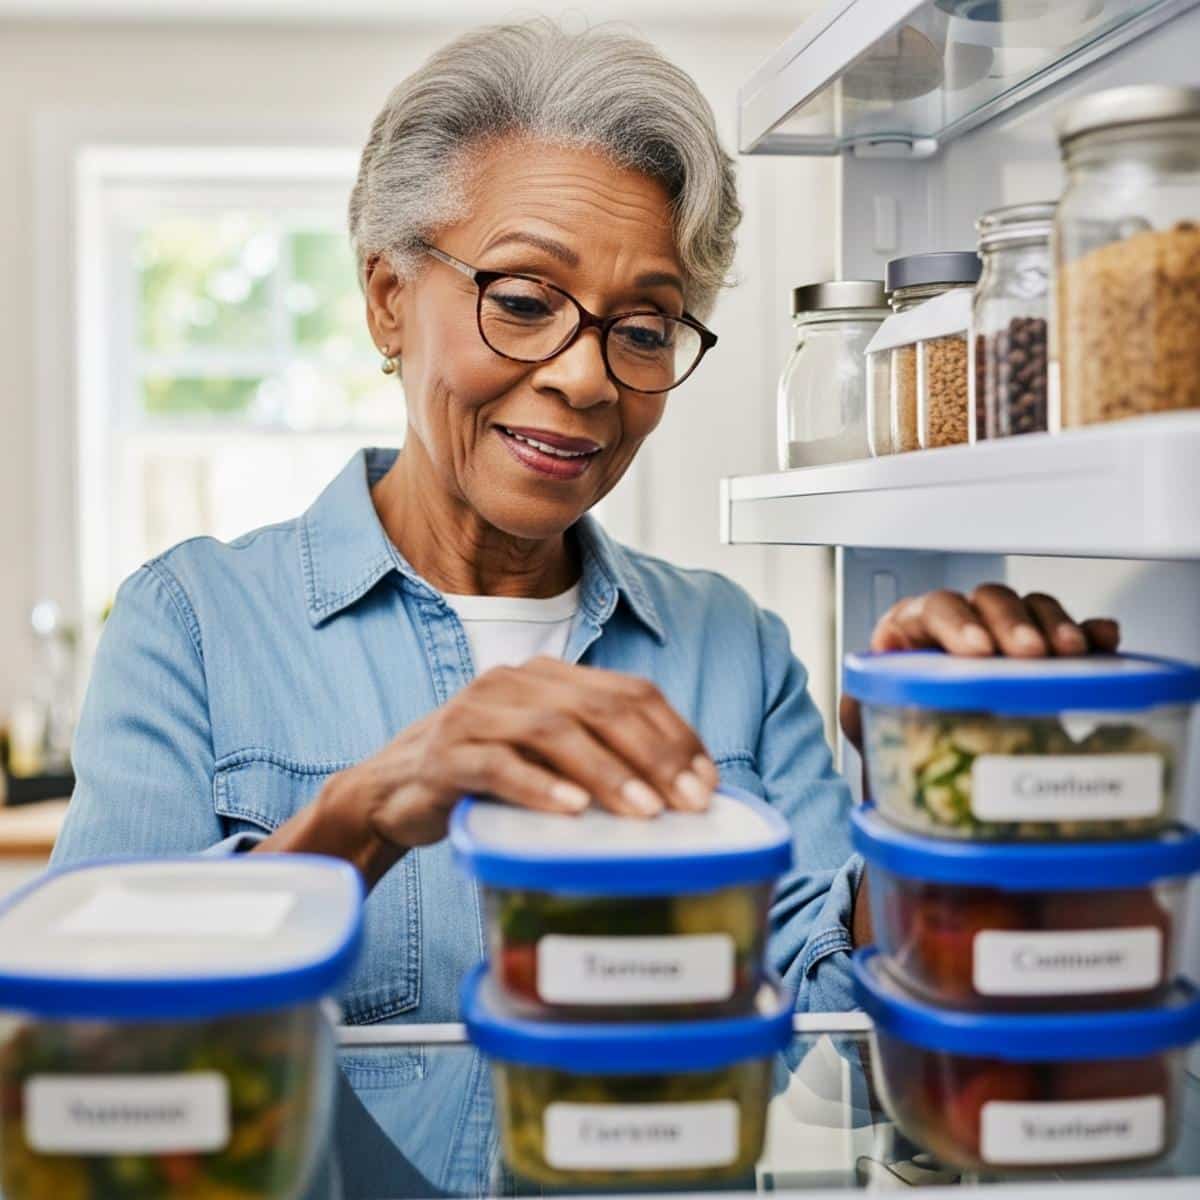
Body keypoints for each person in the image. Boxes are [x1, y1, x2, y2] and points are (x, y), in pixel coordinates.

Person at [51, 21, 1118, 1023]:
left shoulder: (734, 650)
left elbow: (837, 1033)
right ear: (387, 297)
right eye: (521, 301)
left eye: (644, 328)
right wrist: (368, 811)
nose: (583, 378)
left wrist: (929, 789)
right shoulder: (193, 623)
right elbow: (87, 1046)